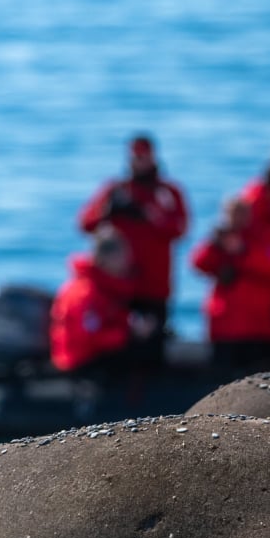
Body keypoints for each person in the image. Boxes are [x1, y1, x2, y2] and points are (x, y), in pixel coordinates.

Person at [76, 134, 188, 361]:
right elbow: (85, 224)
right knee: (120, 348)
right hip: (118, 287)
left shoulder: (166, 192)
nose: (139, 161)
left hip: (154, 287)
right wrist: (107, 211)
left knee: (152, 348)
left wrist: (149, 215)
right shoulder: (116, 190)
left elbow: (179, 229)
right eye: (135, 156)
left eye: (143, 156)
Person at [190, 196, 270, 370]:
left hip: (259, 325)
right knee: (223, 379)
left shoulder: (260, 236)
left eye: (241, 213)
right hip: (225, 324)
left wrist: (243, 252)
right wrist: (215, 244)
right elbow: (198, 263)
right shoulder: (218, 241)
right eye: (232, 214)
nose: (236, 219)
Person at [49, 227, 153, 374]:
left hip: (94, 353)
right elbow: (88, 338)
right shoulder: (84, 293)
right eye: (122, 256)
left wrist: (131, 324)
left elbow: (110, 317)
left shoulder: (103, 285)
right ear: (107, 258)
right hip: (78, 359)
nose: (128, 261)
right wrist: (127, 333)